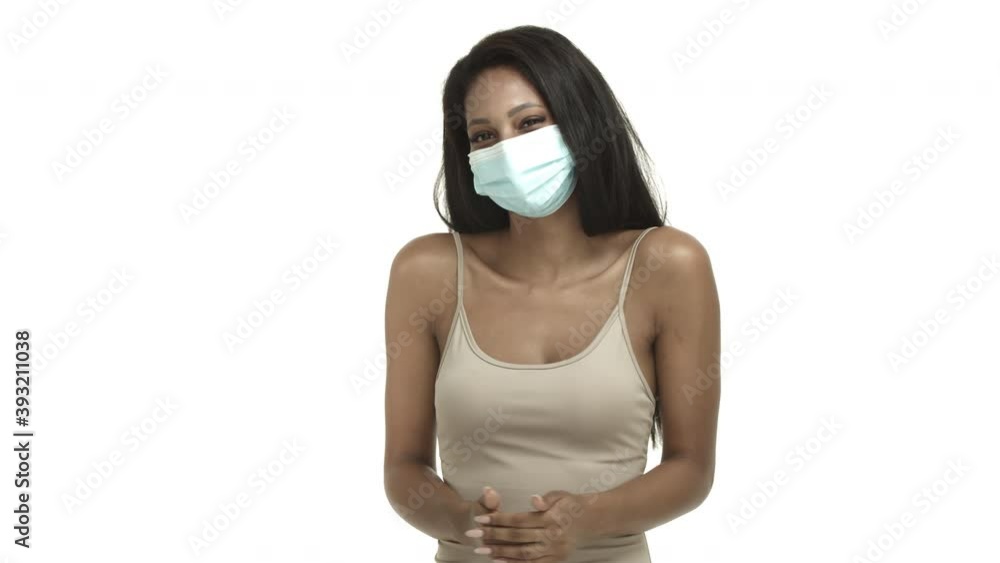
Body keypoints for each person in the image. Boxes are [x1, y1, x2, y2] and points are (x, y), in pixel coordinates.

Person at [383, 25, 721, 563]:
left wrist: (586, 520)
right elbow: (403, 465)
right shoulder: (426, 272)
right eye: (483, 136)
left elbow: (691, 468)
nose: (508, 149)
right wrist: (462, 521)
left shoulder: (669, 266)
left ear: (582, 123)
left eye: (531, 123)